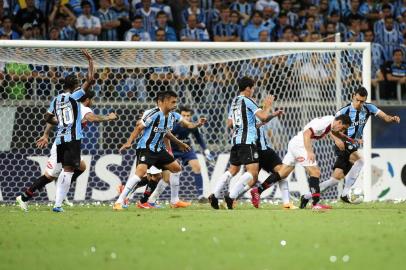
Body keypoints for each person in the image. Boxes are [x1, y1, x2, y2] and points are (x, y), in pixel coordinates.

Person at [15, 91, 117, 211]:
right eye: (92, 99)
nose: (93, 102)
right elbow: (92, 118)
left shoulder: (68, 105)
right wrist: (109, 117)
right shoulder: (82, 108)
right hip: (63, 145)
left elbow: (53, 118)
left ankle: (62, 192)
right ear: (88, 99)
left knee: (81, 167)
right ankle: (24, 197)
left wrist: (46, 134)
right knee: (49, 176)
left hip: (67, 143)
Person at [303, 86, 400, 205]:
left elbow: (384, 116)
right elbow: (330, 128)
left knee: (334, 179)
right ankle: (345, 193)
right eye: (357, 100)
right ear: (353, 96)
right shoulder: (343, 111)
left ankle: (307, 196)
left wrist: (391, 118)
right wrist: (336, 139)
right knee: (360, 161)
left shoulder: (369, 108)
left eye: (362, 101)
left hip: (353, 144)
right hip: (343, 144)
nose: (359, 103)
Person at [113, 90, 205, 210]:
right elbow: (139, 127)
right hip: (146, 148)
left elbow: (186, 126)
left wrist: (197, 124)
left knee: (175, 169)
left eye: (176, 102)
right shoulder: (153, 113)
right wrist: (129, 142)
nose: (175, 104)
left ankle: (174, 201)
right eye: (173, 102)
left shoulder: (174, 116)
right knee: (140, 174)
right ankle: (119, 201)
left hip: (159, 150)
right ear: (164, 101)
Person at [208, 76, 282, 209]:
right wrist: (268, 107)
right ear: (248, 88)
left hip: (236, 140)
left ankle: (214, 194)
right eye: (253, 88)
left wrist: (269, 116)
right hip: (247, 141)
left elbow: (230, 123)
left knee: (233, 170)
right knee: (253, 173)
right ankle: (231, 197)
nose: (253, 91)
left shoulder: (235, 101)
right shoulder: (248, 101)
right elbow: (263, 116)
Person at [250, 114, 352, 210]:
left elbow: (336, 132)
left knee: (282, 173)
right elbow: (306, 134)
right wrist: (309, 152)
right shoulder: (324, 123)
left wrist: (350, 140)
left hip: (295, 143)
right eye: (343, 128)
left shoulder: (332, 121)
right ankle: (315, 204)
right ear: (339, 122)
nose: (342, 131)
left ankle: (257, 190)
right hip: (300, 145)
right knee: (315, 172)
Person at [44, 49, 94, 212]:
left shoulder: (56, 99)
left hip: (59, 139)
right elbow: (90, 79)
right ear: (74, 87)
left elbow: (47, 118)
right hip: (73, 138)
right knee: (68, 170)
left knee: (65, 170)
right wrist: (90, 61)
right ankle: (58, 204)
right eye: (78, 84)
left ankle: (58, 204)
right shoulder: (75, 96)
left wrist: (60, 121)